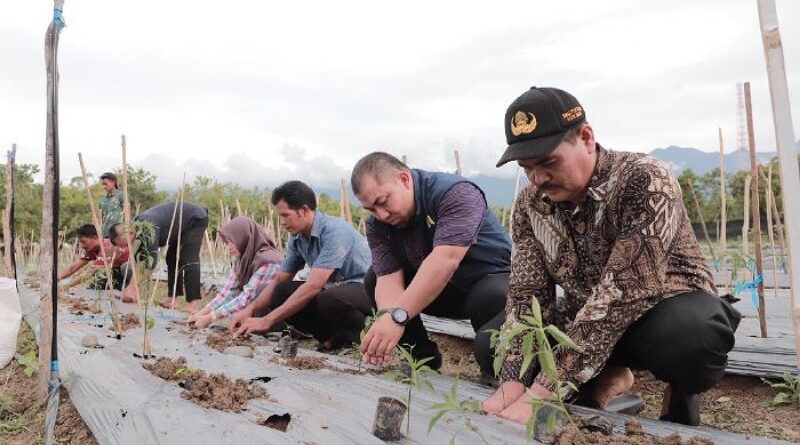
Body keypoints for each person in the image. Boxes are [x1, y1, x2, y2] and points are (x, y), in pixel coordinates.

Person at [482, 86, 741, 426]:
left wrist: (544, 391)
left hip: (659, 315)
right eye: (526, 167)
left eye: (548, 162)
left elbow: (623, 293)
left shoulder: (644, 179)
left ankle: (679, 388)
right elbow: (526, 294)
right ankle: (611, 377)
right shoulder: (531, 204)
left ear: (586, 137)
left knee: (691, 338)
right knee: (490, 345)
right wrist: (513, 381)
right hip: (583, 318)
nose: (538, 177)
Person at [351, 152, 512, 379]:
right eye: (372, 210)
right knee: (374, 278)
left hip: (486, 285)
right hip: (436, 292)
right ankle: (421, 361)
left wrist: (398, 316)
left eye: (383, 202)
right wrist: (387, 324)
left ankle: (495, 369)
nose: (382, 214)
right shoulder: (378, 225)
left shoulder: (456, 193)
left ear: (404, 179)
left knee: (489, 320)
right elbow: (388, 278)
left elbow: (445, 261)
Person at [232, 180, 372, 351]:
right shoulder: (297, 238)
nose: (282, 222)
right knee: (281, 291)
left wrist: (267, 320)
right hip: (334, 290)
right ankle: (333, 339)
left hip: (366, 290)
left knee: (328, 297)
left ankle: (361, 339)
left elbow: (313, 286)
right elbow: (280, 279)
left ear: (304, 210)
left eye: (285, 215)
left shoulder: (334, 231)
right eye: (280, 216)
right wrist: (249, 309)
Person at [111, 201, 209, 312]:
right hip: (178, 225)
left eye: (127, 243)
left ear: (129, 233)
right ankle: (172, 299)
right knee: (172, 259)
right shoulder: (137, 230)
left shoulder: (147, 227)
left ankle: (193, 304)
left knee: (188, 259)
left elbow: (150, 263)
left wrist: (134, 289)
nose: (129, 246)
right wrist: (129, 287)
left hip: (195, 218)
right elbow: (138, 261)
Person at [187, 216, 282, 328]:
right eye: (227, 242)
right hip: (250, 312)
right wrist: (201, 314)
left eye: (232, 241)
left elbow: (247, 297)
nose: (229, 247)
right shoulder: (242, 260)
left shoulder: (268, 261)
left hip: (272, 318)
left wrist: (210, 318)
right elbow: (227, 292)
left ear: (244, 237)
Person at [58, 224, 129, 289]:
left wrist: (66, 286)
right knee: (95, 284)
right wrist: (54, 279)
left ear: (95, 238)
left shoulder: (107, 247)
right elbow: (72, 268)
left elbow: (91, 273)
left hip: (125, 272)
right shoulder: (91, 249)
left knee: (97, 282)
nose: (82, 246)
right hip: (113, 271)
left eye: (84, 242)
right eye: (80, 242)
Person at [98, 172, 125, 238]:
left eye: (105, 184)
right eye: (103, 184)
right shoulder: (102, 200)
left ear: (113, 182)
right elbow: (99, 218)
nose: (104, 187)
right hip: (105, 233)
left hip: (119, 233)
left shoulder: (121, 195)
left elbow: (127, 212)